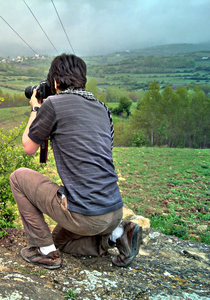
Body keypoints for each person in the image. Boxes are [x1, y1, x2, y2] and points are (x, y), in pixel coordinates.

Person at [10, 53, 142, 269]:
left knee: (18, 178)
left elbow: (29, 147)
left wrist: (35, 108)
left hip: (85, 216)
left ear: (55, 81)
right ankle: (117, 234)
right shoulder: (102, 108)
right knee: (60, 241)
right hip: (115, 211)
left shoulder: (53, 104)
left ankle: (43, 251)